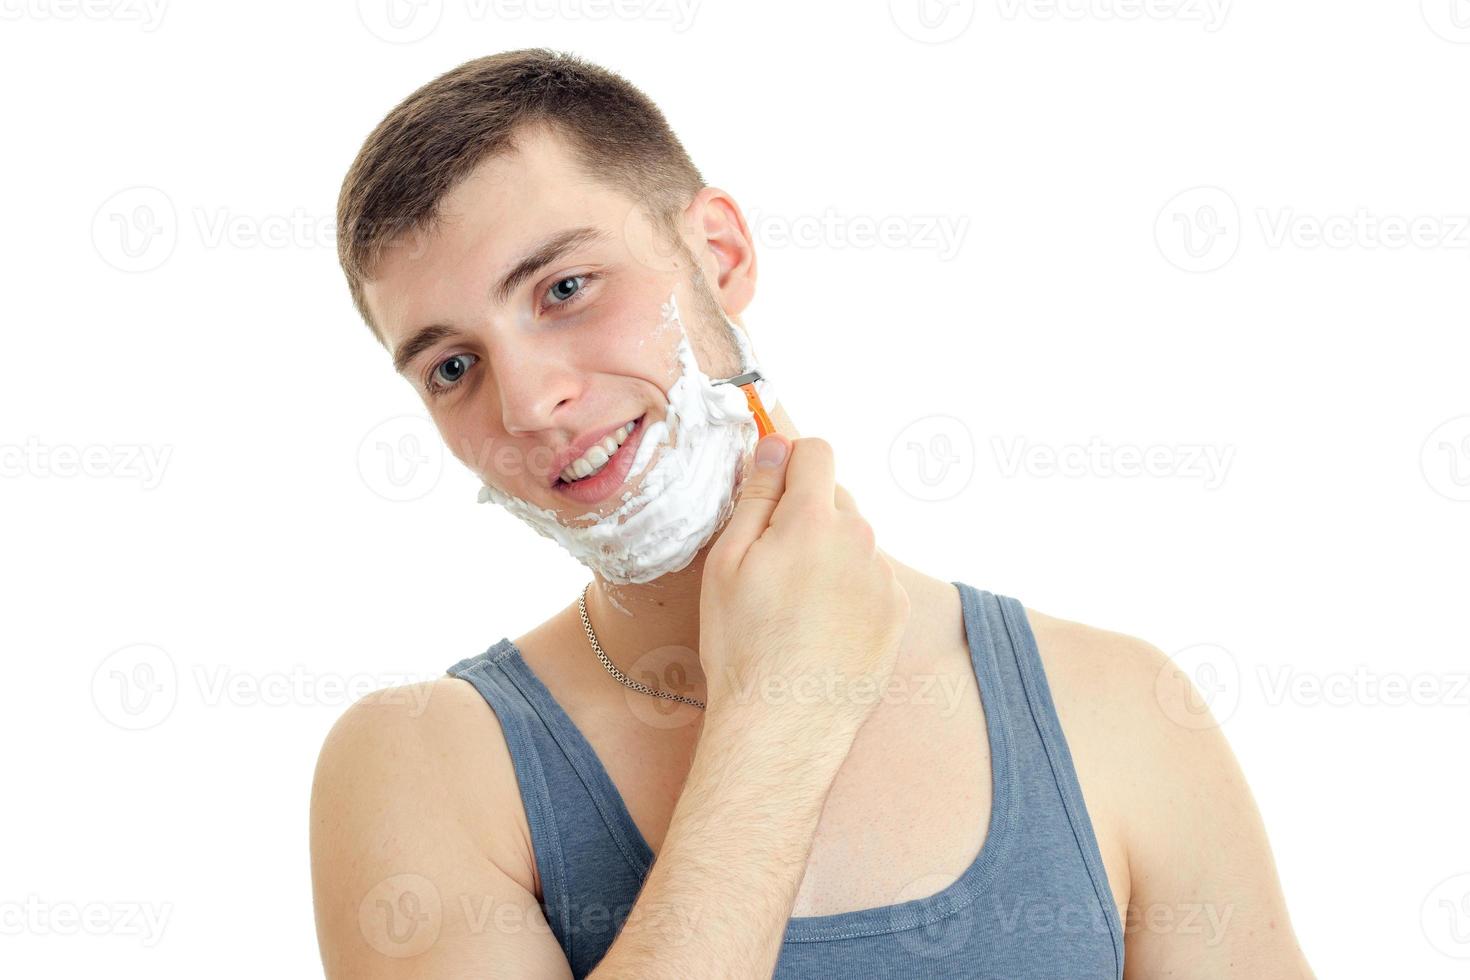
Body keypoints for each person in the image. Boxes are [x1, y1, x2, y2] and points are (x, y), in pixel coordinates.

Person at [310, 48, 1315, 979]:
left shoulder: (1119, 705)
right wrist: (776, 710)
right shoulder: (423, 765)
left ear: (719, 252)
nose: (526, 402)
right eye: (452, 366)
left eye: (566, 286)